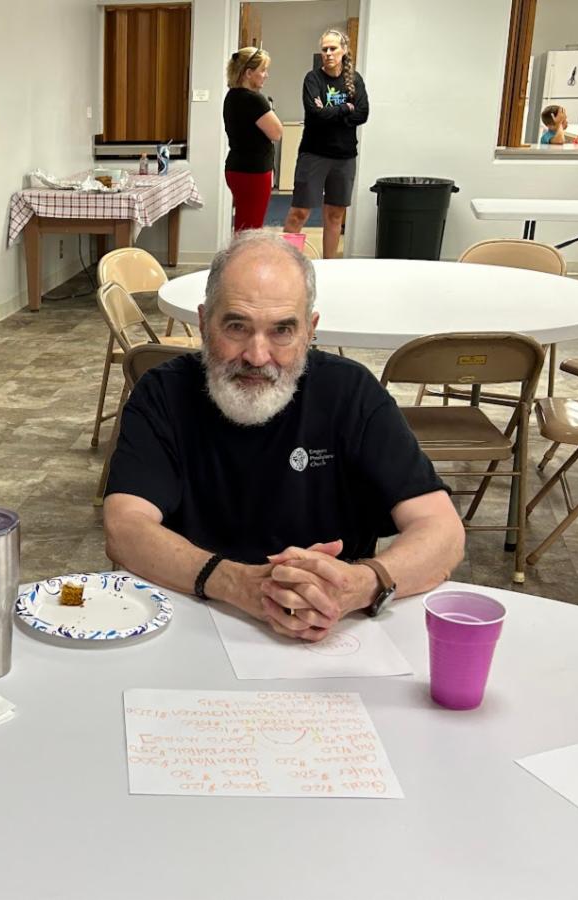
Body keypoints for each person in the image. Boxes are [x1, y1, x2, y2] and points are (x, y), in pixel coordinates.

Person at [102, 232, 464, 642]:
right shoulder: (162, 394)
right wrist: (237, 584)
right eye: (236, 327)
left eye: (282, 331)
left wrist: (358, 584)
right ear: (203, 323)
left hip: (331, 631)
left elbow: (443, 530)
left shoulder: (351, 393)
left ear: (310, 331)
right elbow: (125, 528)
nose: (257, 356)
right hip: (193, 624)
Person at [283, 29, 369, 261]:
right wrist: (345, 108)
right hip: (314, 154)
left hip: (344, 157)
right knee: (299, 213)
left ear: (344, 50)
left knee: (335, 215)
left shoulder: (355, 80)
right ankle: (286, 264)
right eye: (325, 49)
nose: (329, 53)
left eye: (333, 48)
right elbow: (315, 114)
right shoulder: (313, 79)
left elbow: (362, 114)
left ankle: (329, 266)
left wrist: (330, 113)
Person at [223, 46, 283, 232]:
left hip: (236, 168)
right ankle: (242, 253)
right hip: (253, 172)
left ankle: (240, 251)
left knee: (244, 225)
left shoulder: (231, 97)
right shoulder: (254, 100)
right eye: (263, 70)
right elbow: (277, 133)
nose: (266, 75)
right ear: (249, 73)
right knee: (251, 229)